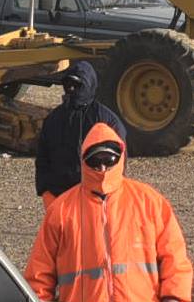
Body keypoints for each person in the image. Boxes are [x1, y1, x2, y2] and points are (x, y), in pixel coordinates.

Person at [24, 124, 194, 302]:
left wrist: (173, 295)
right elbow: (40, 270)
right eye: (95, 161)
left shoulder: (149, 201)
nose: (102, 168)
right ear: (84, 161)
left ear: (120, 157)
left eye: (109, 160)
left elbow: (174, 254)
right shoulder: (61, 210)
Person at [35, 62, 126, 204]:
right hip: (59, 197)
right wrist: (46, 192)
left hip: (95, 197)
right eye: (68, 84)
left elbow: (119, 161)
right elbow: (42, 159)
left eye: (77, 85)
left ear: (88, 85)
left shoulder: (106, 120)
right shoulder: (54, 119)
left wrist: (110, 194)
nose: (71, 89)